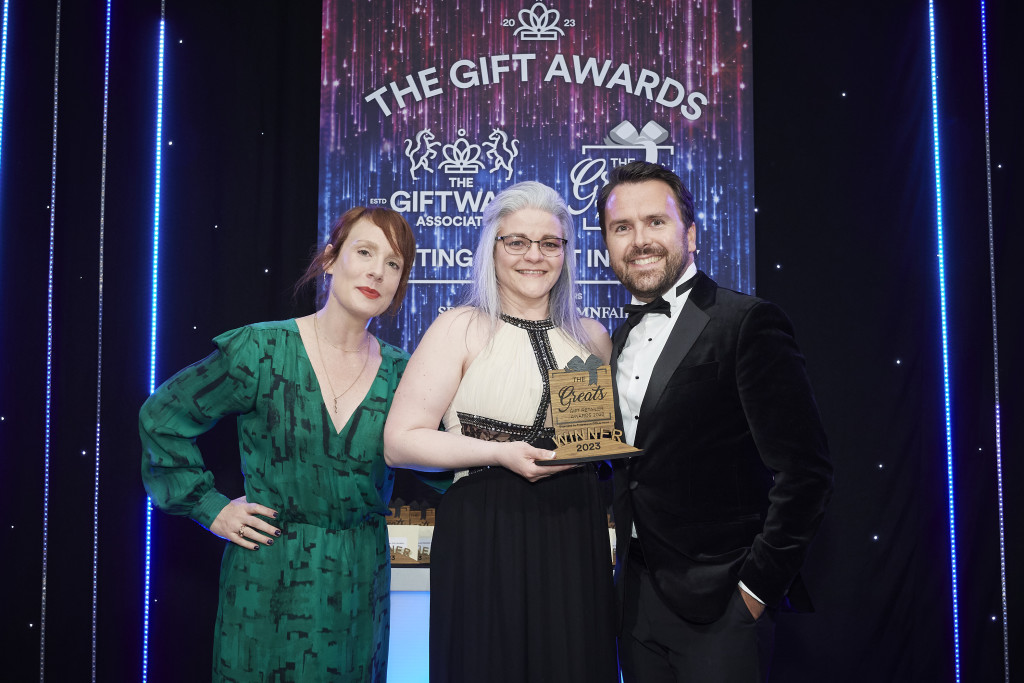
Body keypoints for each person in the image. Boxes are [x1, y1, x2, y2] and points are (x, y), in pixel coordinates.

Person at [140, 207, 416, 682]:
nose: (377, 271)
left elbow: (448, 460)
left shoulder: (404, 374)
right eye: (365, 252)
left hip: (358, 583)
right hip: (268, 576)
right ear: (330, 260)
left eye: (393, 264)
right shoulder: (260, 350)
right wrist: (211, 507)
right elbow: (162, 418)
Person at [597, 161, 833, 682]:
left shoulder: (746, 322)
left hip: (723, 605)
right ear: (608, 247)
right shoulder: (611, 344)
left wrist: (755, 590)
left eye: (656, 222)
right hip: (633, 603)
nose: (640, 240)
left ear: (692, 234)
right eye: (622, 228)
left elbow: (806, 473)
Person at [383, 181, 620, 683]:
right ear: (492, 248)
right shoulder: (460, 327)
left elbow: (593, 441)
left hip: (574, 529)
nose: (534, 256)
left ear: (566, 252)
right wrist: (500, 453)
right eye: (517, 242)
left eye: (549, 243)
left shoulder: (592, 336)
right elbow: (400, 441)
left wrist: (593, 453)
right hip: (485, 528)